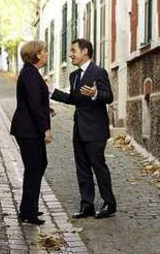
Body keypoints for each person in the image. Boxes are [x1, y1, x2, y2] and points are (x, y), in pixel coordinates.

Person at [50, 38, 116, 219]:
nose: (70, 54)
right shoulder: (74, 76)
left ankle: (109, 203)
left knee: (98, 166)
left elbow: (109, 97)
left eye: (73, 51)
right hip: (79, 128)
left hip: (95, 129)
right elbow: (74, 99)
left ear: (85, 51)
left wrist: (95, 93)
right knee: (82, 168)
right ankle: (86, 205)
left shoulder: (99, 72)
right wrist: (52, 92)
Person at [10, 40, 53, 225]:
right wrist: (46, 129)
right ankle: (28, 212)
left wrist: (48, 110)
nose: (47, 54)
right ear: (36, 55)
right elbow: (34, 105)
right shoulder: (31, 74)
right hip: (29, 130)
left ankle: (28, 209)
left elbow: (34, 102)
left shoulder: (30, 73)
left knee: (36, 167)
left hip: (27, 128)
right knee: (35, 167)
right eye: (45, 51)